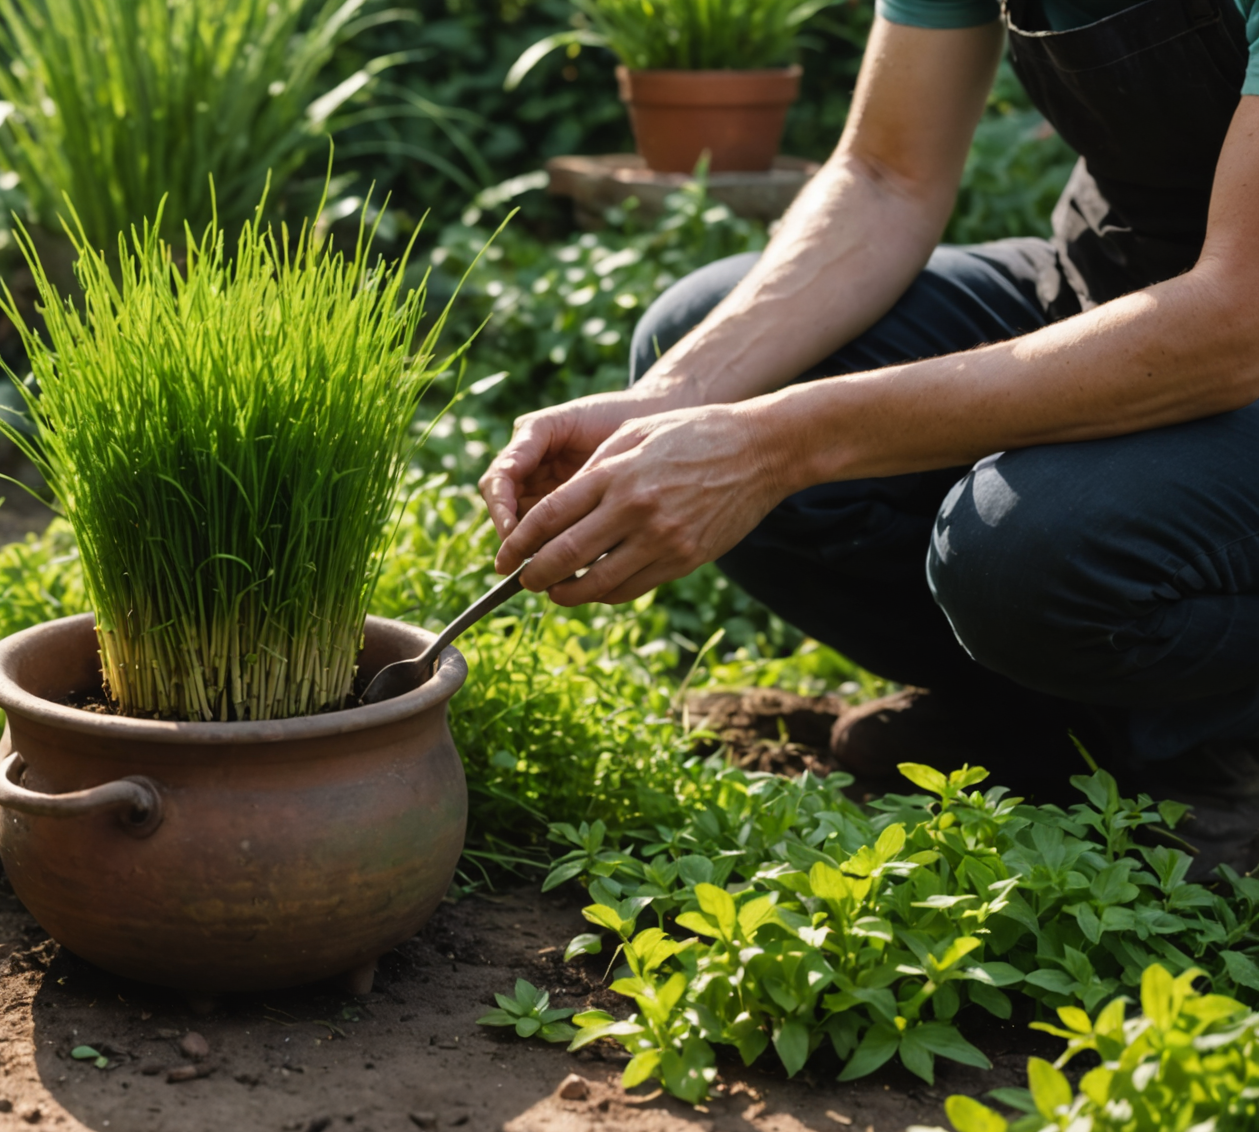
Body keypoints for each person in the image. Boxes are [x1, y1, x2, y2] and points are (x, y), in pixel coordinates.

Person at [478, 0, 1259, 874]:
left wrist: (775, 445)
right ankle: (1043, 717)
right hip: (1118, 277)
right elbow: (887, 172)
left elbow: (1236, 320)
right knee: (706, 350)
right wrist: (678, 397)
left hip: (1236, 325)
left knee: (1027, 547)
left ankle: (1220, 749)